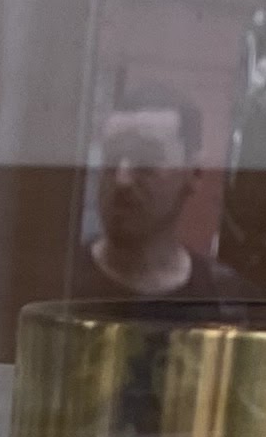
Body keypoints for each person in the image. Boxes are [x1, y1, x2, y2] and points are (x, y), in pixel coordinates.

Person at [85, 99, 254, 305]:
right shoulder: (57, 280)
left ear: (194, 174)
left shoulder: (231, 304)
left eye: (146, 158)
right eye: (112, 157)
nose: (123, 179)